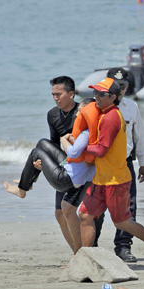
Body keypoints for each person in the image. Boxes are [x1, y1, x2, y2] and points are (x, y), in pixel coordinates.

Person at [78, 77, 144, 270]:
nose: (96, 97)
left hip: (116, 180)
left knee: (122, 222)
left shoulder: (110, 117)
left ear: (114, 97)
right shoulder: (104, 113)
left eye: (101, 94)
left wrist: (79, 146)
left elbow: (100, 150)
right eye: (95, 93)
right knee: (85, 216)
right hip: (101, 178)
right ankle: (85, 262)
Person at [4, 98, 97, 253]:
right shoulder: (89, 130)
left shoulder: (87, 133)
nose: (77, 114)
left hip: (66, 178)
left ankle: (23, 189)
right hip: (72, 170)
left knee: (36, 152)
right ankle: (28, 180)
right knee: (43, 143)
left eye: (81, 111)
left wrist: (64, 139)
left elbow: (73, 152)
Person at [93, 67, 144, 263]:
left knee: (128, 207)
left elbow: (139, 136)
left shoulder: (132, 107)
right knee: (96, 207)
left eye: (122, 86)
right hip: (99, 165)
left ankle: (123, 247)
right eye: (114, 85)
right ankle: (92, 246)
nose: (119, 90)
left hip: (124, 165)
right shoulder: (95, 106)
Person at [47, 76, 80, 252]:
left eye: (59, 94)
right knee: (60, 213)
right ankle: (76, 253)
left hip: (85, 166)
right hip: (64, 166)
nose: (55, 98)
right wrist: (45, 164)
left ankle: (89, 249)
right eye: (53, 94)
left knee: (86, 214)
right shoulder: (52, 114)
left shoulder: (83, 111)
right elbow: (53, 144)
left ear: (72, 94)